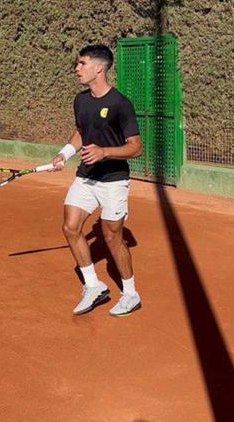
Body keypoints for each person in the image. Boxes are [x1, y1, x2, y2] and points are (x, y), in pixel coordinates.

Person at [51, 44, 143, 317]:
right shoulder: (81, 100)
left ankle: (130, 293)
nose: (76, 68)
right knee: (70, 227)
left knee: (112, 236)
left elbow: (136, 147)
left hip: (113, 180)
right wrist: (64, 154)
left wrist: (104, 152)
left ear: (98, 68)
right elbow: (81, 132)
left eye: (81, 63)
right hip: (86, 177)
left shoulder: (120, 104)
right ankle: (93, 286)